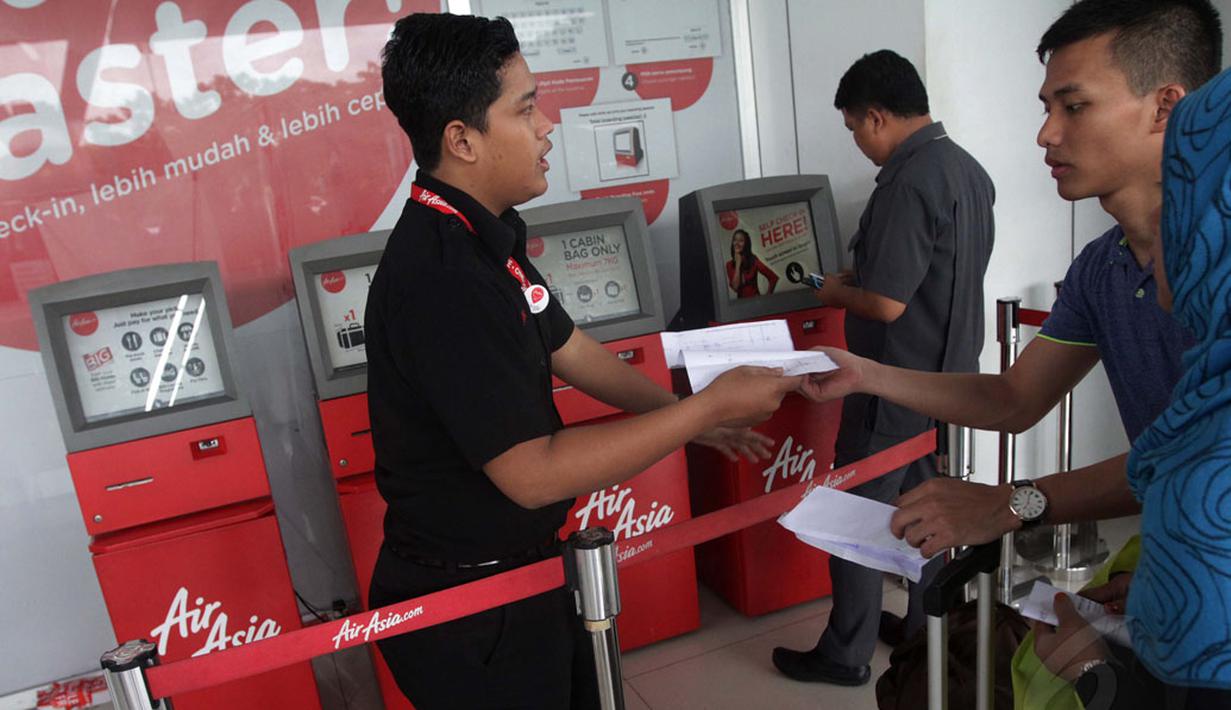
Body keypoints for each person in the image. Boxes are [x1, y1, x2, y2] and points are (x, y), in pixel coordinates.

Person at [366, 13, 801, 709]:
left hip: (523, 571)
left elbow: (567, 346)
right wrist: (702, 411)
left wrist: (684, 413)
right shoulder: (443, 278)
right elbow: (533, 475)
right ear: (462, 140)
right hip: (470, 603)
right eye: (525, 109)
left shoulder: (482, 232)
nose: (548, 127)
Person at [798, 0, 1219, 563]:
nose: (1046, 134)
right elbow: (1014, 397)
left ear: (1166, 107)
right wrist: (866, 374)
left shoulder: (1219, 262)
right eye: (1047, 108)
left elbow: (1199, 453)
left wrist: (1014, 502)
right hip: (1184, 558)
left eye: (1075, 106)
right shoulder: (1101, 269)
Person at [772, 49, 995, 687]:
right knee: (929, 510)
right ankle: (925, 635)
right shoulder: (967, 169)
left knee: (857, 513)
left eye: (853, 129)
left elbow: (888, 304)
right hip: (949, 384)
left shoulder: (907, 181)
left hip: (891, 383)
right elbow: (931, 280)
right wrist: (863, 280)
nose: (857, 144)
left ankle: (844, 655)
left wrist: (831, 290)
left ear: (876, 117)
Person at [1032, 67, 1231, 709]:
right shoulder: (1101, 267)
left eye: (1180, 205)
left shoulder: (1207, 483)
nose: (1047, 134)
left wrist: (1091, 670)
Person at [726, 228, 779, 298]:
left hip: (756, 302)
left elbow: (773, 278)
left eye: (741, 240)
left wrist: (767, 298)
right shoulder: (729, 265)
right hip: (742, 303)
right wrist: (738, 264)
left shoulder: (753, 260)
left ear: (746, 244)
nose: (737, 243)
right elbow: (735, 287)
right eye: (735, 240)